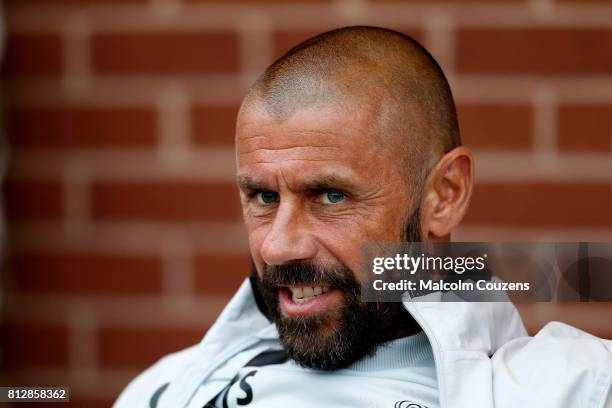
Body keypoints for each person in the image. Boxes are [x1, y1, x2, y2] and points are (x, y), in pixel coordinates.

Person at [114, 26, 612, 408]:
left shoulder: (567, 387)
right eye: (263, 197)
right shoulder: (164, 388)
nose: (278, 248)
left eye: (330, 196)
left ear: (445, 194)